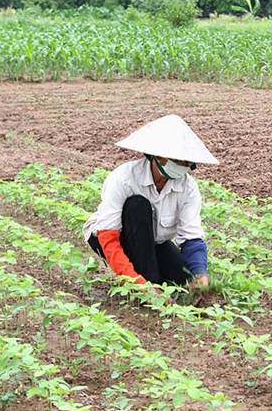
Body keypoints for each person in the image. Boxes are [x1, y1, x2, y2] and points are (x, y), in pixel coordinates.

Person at [83, 114, 219, 294]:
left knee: (182, 282)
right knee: (137, 205)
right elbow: (108, 238)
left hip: (154, 241)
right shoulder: (124, 179)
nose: (183, 167)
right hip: (111, 236)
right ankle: (149, 284)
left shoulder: (188, 187)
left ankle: (153, 279)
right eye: (178, 160)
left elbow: (191, 237)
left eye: (188, 163)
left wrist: (199, 274)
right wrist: (142, 285)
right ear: (158, 156)